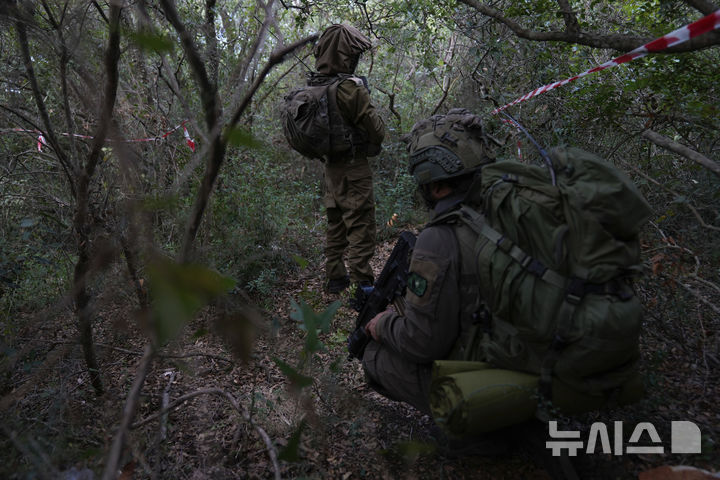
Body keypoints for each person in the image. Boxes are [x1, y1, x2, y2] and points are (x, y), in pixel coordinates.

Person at [361, 109, 496, 414]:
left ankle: (477, 435)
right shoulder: (503, 210)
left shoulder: (439, 237)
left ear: (434, 186)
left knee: (372, 354)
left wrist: (383, 324)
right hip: (535, 359)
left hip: (491, 375)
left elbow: (423, 343)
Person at [311, 24, 385, 294]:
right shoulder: (349, 89)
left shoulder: (317, 86)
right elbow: (377, 129)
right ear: (346, 55)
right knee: (361, 224)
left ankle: (335, 279)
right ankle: (363, 287)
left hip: (331, 168)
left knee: (336, 224)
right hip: (354, 167)